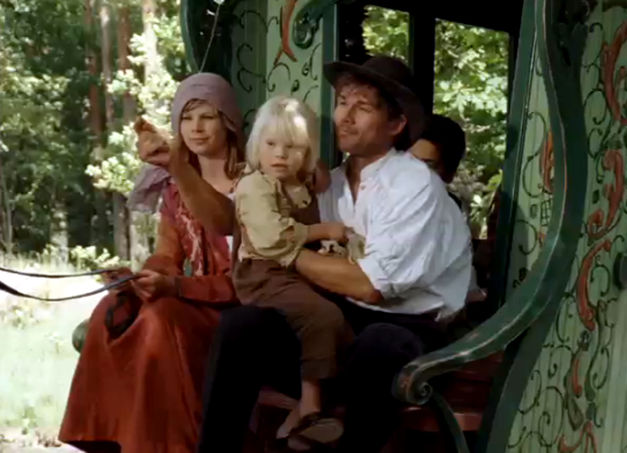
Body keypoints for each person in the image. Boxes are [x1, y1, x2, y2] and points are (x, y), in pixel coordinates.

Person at [196, 56, 473, 453]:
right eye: (343, 102)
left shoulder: (416, 186)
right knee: (243, 327)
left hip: (410, 333)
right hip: (338, 321)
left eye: (363, 107)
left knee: (379, 343)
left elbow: (371, 286)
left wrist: (282, 249)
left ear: (396, 124)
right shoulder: (330, 183)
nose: (346, 116)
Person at [58, 72, 243, 453]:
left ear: (227, 121)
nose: (196, 127)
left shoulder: (252, 184)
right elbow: (167, 256)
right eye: (186, 118)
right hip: (188, 298)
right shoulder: (174, 190)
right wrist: (138, 278)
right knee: (111, 307)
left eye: (206, 116)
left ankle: (164, 444)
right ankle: (102, 437)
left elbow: (243, 280)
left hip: (235, 308)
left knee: (161, 317)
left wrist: (175, 286)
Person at [233, 96, 353, 446]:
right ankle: (311, 406)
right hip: (262, 273)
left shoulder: (299, 184)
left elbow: (322, 181)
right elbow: (271, 237)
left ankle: (303, 422)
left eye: (292, 147)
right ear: (257, 146)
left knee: (348, 321)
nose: (280, 155)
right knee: (322, 315)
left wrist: (314, 168)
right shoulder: (254, 186)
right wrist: (323, 231)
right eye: (271, 144)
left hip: (294, 271)